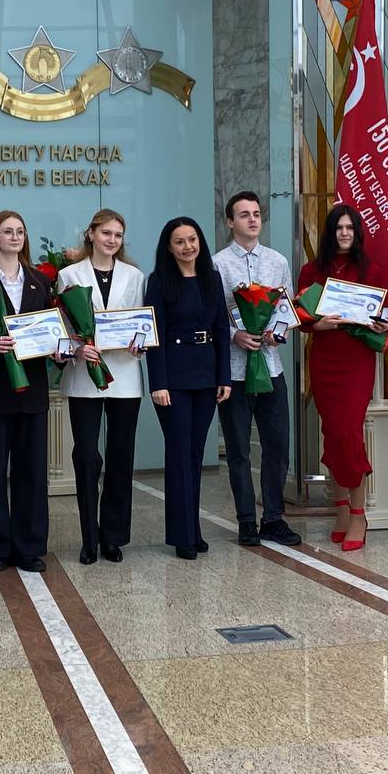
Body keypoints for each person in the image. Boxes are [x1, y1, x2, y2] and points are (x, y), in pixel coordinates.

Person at [0, 211, 56, 573]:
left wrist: (57, 347)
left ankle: (29, 547)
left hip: (32, 392)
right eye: (7, 231)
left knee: (32, 473)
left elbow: (50, 330)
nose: (15, 237)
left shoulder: (40, 281)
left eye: (20, 231)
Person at [297, 204, 388, 551]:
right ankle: (340, 511)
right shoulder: (311, 270)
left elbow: (383, 317)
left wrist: (381, 324)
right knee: (332, 435)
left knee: (349, 435)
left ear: (357, 232)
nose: (345, 233)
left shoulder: (371, 270)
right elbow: (300, 317)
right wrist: (316, 324)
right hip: (324, 360)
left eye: (350, 228)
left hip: (356, 361)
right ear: (330, 232)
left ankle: (358, 515)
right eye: (339, 227)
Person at [212, 191, 301, 548]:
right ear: (230, 222)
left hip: (270, 365)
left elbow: (286, 307)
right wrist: (234, 334)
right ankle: (247, 520)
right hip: (234, 371)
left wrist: (276, 332)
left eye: (256, 214)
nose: (252, 219)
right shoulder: (217, 264)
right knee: (238, 449)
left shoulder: (278, 261)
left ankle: (274, 518)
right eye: (244, 214)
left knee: (277, 445)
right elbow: (212, 314)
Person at [57, 208, 146, 565]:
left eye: (118, 235)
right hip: (84, 375)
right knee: (86, 457)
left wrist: (140, 344)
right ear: (91, 234)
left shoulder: (134, 276)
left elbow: (141, 324)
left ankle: (113, 537)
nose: (112, 240)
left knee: (121, 457)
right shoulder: (68, 275)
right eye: (106, 233)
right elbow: (62, 329)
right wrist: (77, 348)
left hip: (125, 376)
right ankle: (89, 538)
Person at [145, 217, 231, 560]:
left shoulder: (212, 277)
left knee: (195, 453)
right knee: (179, 453)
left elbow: (222, 330)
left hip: (207, 375)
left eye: (192, 239)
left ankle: (193, 529)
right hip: (174, 380)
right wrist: (158, 383)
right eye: (179, 241)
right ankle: (181, 536)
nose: (187, 247)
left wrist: (224, 377)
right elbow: (154, 335)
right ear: (169, 247)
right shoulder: (159, 281)